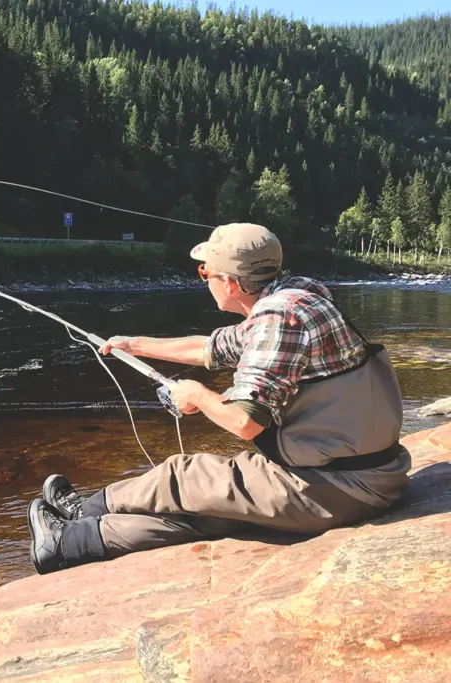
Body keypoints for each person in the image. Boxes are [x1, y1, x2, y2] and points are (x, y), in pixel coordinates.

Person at [27, 222, 412, 575]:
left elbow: (246, 423)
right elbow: (211, 348)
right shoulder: (299, 295)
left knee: (183, 475)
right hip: (363, 474)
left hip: (336, 483)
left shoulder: (279, 319)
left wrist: (195, 393)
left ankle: (82, 513)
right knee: (202, 515)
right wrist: (134, 345)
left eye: (204, 272)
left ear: (228, 283)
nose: (204, 279)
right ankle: (69, 542)